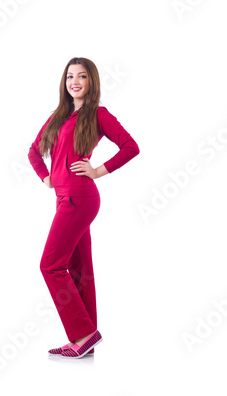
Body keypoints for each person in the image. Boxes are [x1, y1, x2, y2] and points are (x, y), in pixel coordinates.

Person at [28, 57, 140, 359]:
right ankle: (84, 339)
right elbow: (33, 151)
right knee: (78, 268)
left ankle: (83, 333)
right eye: (69, 77)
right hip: (64, 198)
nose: (75, 82)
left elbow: (131, 146)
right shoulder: (58, 116)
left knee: (50, 265)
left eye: (81, 77)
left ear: (91, 82)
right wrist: (46, 177)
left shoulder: (98, 114)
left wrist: (98, 170)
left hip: (80, 197)